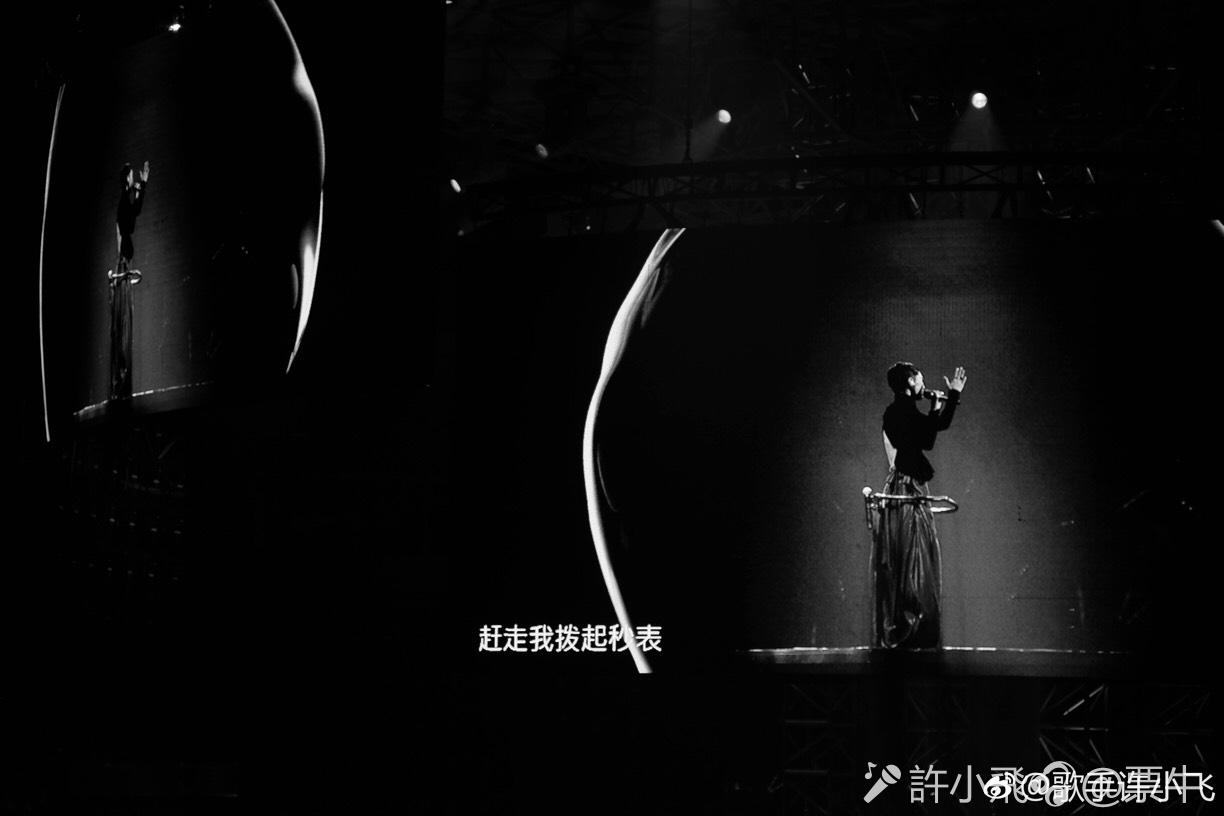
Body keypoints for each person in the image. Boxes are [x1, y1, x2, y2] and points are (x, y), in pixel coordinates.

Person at [874, 361, 966, 648]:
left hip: (912, 486)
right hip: (906, 487)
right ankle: (910, 629)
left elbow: (930, 433)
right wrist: (940, 405)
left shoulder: (905, 411)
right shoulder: (897, 412)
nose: (923, 385)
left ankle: (919, 628)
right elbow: (925, 439)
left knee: (919, 556)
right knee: (911, 558)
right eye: (920, 380)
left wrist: (949, 399)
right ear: (909, 383)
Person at [109, 160, 149, 401]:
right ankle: (120, 380)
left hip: (125, 256)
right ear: (126, 179)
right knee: (123, 318)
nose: (133, 178)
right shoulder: (123, 201)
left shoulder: (125, 199)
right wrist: (138, 188)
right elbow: (129, 220)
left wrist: (141, 186)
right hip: (124, 257)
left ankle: (122, 379)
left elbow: (135, 213)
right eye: (132, 176)